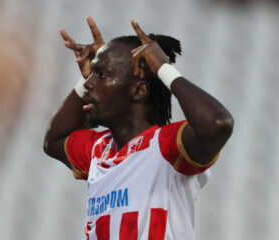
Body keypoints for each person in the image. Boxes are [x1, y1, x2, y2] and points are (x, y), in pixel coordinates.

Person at [44, 16, 233, 240]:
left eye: (102, 75)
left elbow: (217, 123)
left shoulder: (166, 146)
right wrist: (91, 72)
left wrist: (163, 68)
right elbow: (53, 140)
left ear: (138, 91)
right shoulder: (99, 150)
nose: (88, 84)